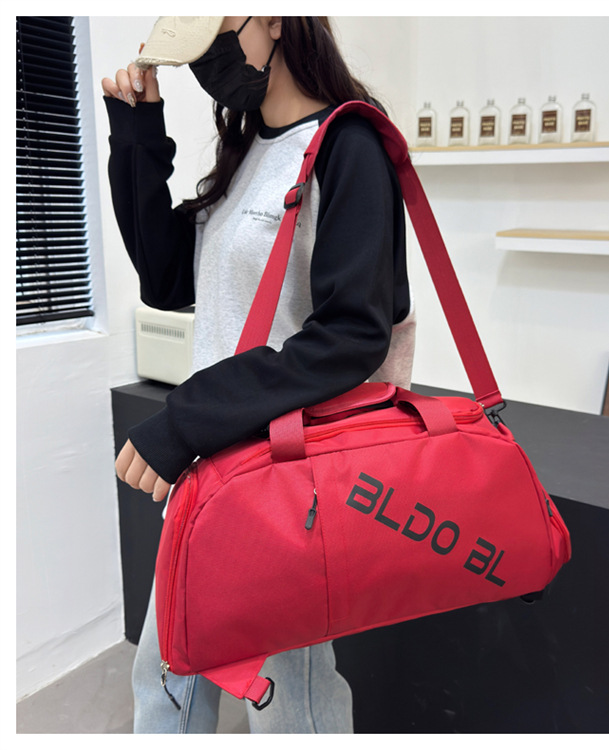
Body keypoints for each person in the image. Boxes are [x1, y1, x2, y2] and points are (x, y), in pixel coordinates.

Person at [102, 16, 415, 733]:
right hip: (216, 474)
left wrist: (188, 419)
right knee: (166, 680)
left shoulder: (347, 144)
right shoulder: (248, 150)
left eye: (218, 34)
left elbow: (351, 335)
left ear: (274, 17)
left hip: (285, 483)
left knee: (288, 704)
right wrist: (138, 136)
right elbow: (167, 279)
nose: (207, 64)